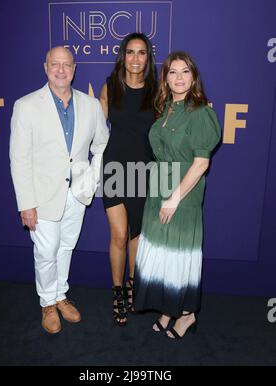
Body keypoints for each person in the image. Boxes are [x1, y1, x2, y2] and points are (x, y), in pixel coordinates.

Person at [9, 46, 109, 334]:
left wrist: (91, 177)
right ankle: (47, 303)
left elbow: (102, 144)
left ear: (74, 69)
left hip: (76, 193)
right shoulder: (26, 106)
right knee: (46, 251)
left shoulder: (90, 106)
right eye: (55, 64)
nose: (61, 70)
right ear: (45, 67)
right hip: (41, 197)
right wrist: (25, 203)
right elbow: (20, 158)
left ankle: (61, 295)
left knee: (66, 247)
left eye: (67, 65)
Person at [133, 51, 221, 339]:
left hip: (183, 193)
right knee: (163, 252)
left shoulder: (200, 112)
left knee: (179, 252)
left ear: (193, 77)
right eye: (173, 72)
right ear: (166, 78)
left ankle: (186, 315)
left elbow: (201, 163)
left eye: (185, 71)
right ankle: (169, 308)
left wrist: (175, 197)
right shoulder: (166, 107)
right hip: (158, 189)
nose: (179, 77)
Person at [99, 33, 157, 325]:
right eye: (130, 52)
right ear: (123, 55)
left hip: (144, 170)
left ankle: (134, 284)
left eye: (142, 52)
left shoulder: (158, 90)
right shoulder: (110, 86)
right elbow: (96, 128)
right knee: (119, 235)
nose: (136, 58)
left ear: (148, 57)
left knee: (136, 235)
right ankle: (117, 290)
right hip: (113, 168)